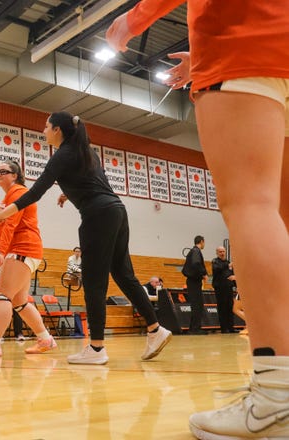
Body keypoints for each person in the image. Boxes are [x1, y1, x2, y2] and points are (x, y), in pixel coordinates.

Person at [106, 3, 289, 438]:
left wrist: (131, 22)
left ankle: (277, 398)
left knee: (251, 206)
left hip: (242, 44)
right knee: (281, 216)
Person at [0, 111, 172, 365]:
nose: (43, 131)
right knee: (124, 275)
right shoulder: (85, 151)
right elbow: (95, 181)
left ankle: (96, 348)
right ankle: (156, 329)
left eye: (47, 127)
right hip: (116, 210)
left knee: (94, 282)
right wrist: (69, 194)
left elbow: (35, 192)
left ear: (58, 130)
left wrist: (1, 215)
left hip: (96, 215)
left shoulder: (63, 154)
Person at [0, 160, 57, 357]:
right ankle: (45, 339)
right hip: (26, 250)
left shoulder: (18, 191)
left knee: (3, 296)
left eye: (4, 171)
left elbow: (11, 224)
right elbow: (5, 227)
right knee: (19, 302)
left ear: (15, 175)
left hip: (23, 248)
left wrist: (0, 252)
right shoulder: (9, 196)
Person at [182, 235, 208, 335]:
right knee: (197, 305)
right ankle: (195, 329)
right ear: (201, 241)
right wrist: (204, 274)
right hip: (194, 282)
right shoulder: (196, 251)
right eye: (204, 242)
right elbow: (196, 263)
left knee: (197, 305)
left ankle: (193, 328)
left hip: (193, 282)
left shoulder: (194, 251)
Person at [211, 246, 237, 334]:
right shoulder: (215, 262)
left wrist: (234, 278)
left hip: (229, 288)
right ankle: (224, 328)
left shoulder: (227, 262)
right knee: (222, 308)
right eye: (220, 252)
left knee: (230, 307)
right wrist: (228, 265)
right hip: (220, 289)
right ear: (217, 253)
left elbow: (231, 273)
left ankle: (231, 327)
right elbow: (217, 269)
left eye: (223, 251)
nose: (222, 253)